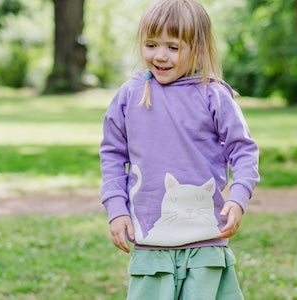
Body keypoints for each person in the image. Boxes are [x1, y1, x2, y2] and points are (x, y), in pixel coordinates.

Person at [98, 0, 260, 298]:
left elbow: (244, 151)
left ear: (196, 49)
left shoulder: (213, 95)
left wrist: (238, 198)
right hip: (151, 240)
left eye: (173, 47)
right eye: (151, 44)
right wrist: (116, 209)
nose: (160, 56)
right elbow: (112, 155)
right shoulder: (129, 95)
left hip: (206, 240)